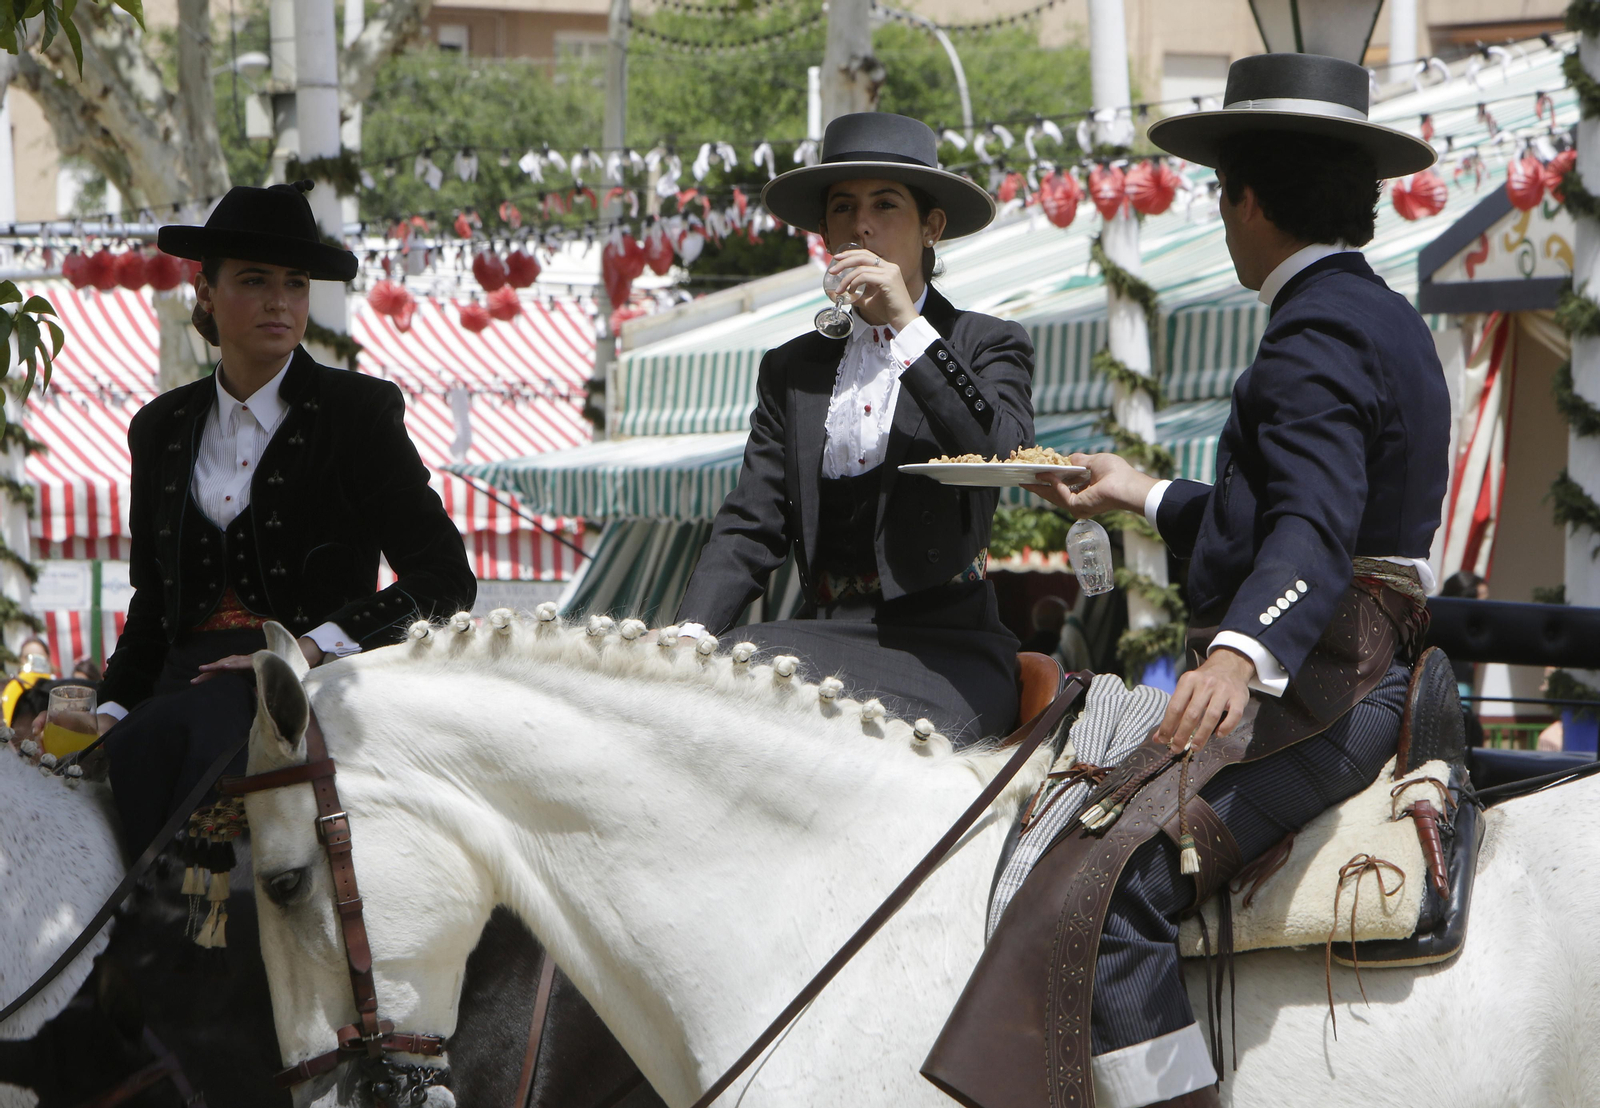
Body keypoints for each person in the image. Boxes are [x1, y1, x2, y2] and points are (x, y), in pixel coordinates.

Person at [1021, 54, 1449, 1107]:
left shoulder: (1312, 332)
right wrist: (1140, 491)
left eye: (1220, 197)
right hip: (1359, 655)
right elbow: (1290, 514)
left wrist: (1236, 649)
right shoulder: (1377, 312)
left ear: (1246, 201)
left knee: (1111, 879)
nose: (1220, 216)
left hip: (1329, 679)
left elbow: (1307, 528)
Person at [59, 181, 476, 855]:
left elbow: (445, 579)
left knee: (184, 735)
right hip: (177, 696)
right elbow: (154, 604)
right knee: (82, 779)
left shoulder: (359, 414)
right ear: (205, 292)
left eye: (296, 283)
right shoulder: (159, 429)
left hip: (309, 688)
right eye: (255, 281)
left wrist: (301, 649)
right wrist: (107, 709)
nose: (281, 301)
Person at [672, 112, 1035, 744]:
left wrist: (906, 325)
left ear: (933, 226)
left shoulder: (987, 341)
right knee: (707, 692)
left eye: (885, 205)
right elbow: (752, 522)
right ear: (825, 231)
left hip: (949, 646)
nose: (861, 225)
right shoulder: (793, 367)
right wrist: (689, 634)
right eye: (842, 208)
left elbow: (1000, 450)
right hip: (821, 637)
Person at [3, 636, 57, 726]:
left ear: (48, 659)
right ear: (21, 660)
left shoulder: (58, 688)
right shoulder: (6, 689)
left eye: (39, 657)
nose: (34, 662)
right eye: (27, 657)